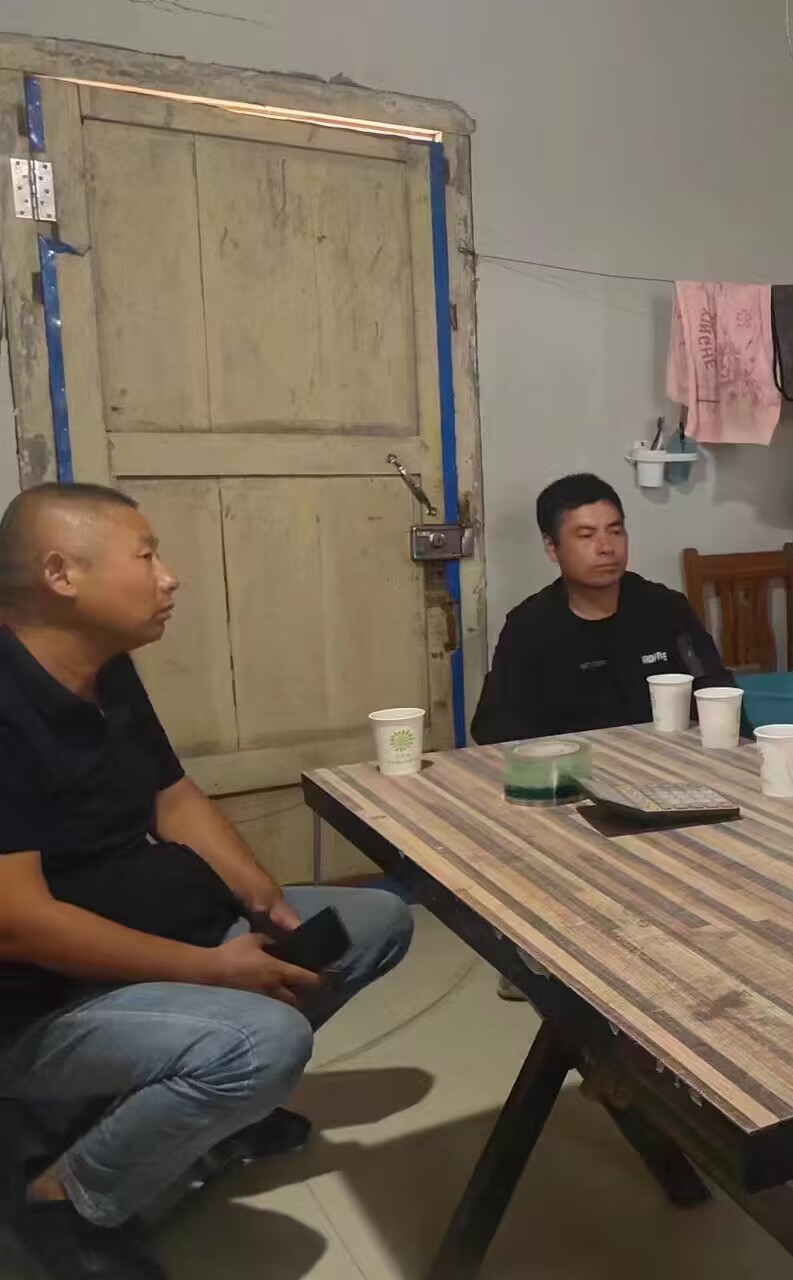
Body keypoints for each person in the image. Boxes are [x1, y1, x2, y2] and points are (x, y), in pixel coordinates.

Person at [0, 483, 415, 1280]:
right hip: (42, 1004)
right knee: (267, 1041)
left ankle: (210, 1115)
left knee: (374, 922)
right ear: (61, 574)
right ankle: (64, 1201)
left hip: (161, 937)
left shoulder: (104, 668)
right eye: (146, 555)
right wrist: (212, 969)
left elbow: (174, 797)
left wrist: (267, 901)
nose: (170, 577)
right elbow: (16, 919)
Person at [469, 473, 732, 744]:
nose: (606, 547)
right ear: (551, 547)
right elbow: (495, 728)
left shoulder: (666, 609)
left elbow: (717, 692)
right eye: (586, 535)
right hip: (570, 763)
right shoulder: (529, 627)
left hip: (667, 757)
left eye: (615, 531)